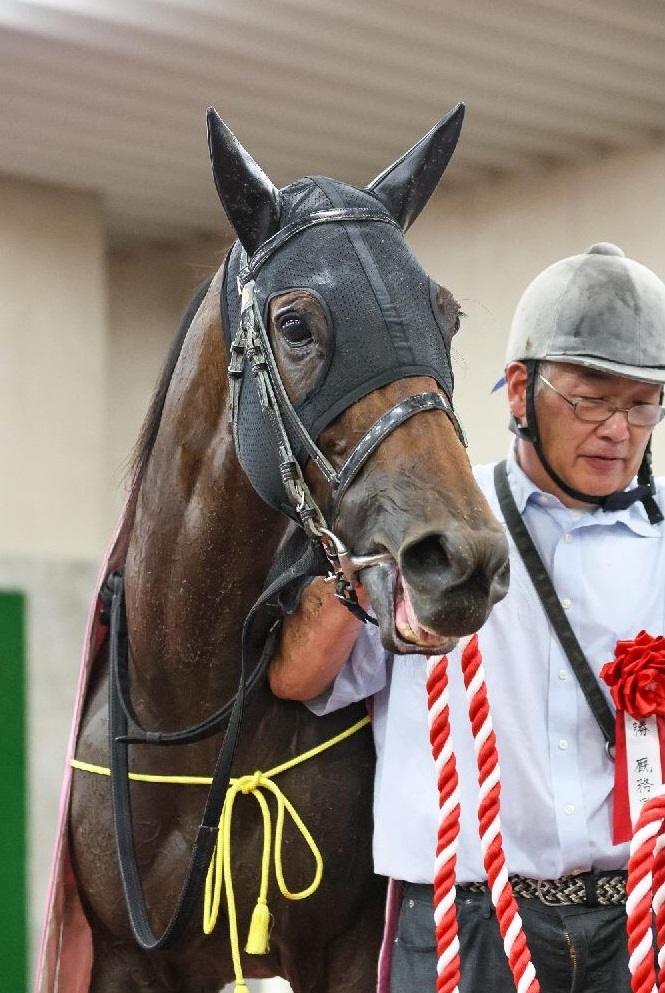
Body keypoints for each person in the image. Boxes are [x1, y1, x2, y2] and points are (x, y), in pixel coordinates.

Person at [268, 242, 665, 993]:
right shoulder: (429, 524)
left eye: (642, 400)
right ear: (518, 389)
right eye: (589, 397)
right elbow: (295, 678)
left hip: (640, 917)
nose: (618, 427)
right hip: (465, 922)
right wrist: (363, 579)